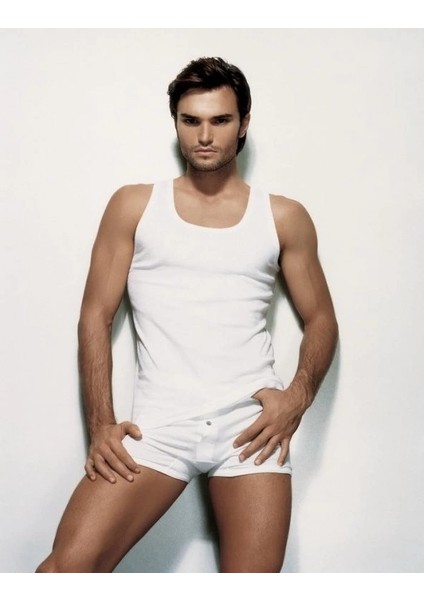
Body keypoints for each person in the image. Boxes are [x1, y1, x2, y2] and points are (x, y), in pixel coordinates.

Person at [36, 56, 338, 573]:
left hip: (250, 429)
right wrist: (101, 424)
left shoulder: (283, 216)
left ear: (243, 123)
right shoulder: (134, 206)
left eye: (220, 120)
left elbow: (322, 319)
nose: (204, 135)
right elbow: (94, 316)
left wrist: (297, 397)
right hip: (157, 427)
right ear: (175, 122)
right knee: (66, 572)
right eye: (190, 120)